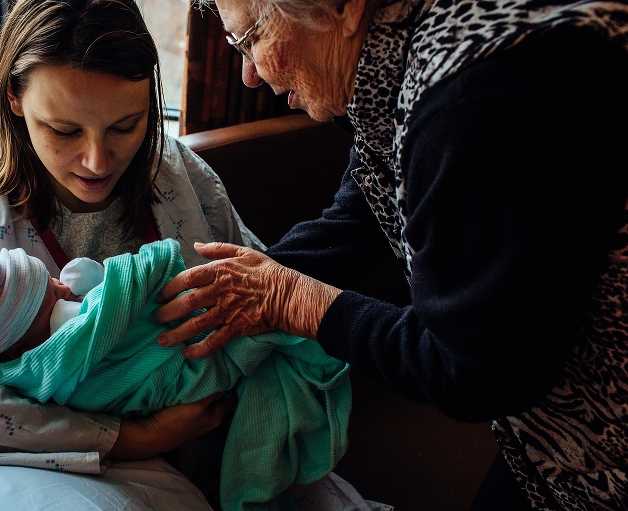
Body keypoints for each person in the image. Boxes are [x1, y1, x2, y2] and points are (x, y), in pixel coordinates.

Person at [152, 1, 628, 510]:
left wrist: (296, 301)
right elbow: (362, 211)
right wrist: (224, 292)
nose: (248, 75)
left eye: (251, 40)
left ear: (343, 7)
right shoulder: (396, 54)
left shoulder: (470, 97)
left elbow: (475, 369)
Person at [0, 0, 263, 478]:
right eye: (64, 130)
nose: (97, 161)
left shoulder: (182, 178)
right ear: (14, 98)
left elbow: (260, 286)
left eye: (126, 126)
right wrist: (130, 438)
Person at [0, 241, 352, 511]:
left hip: (191, 391)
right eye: (50, 291)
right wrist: (115, 278)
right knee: (250, 348)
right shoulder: (71, 324)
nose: (63, 287)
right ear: (15, 343)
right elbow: (131, 280)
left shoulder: (16, 378)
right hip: (196, 367)